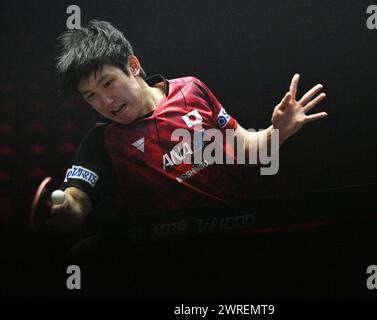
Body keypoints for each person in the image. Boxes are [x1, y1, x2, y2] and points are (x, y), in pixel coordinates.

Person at [49, 20, 327, 234]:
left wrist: (277, 131)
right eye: (91, 96)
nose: (106, 101)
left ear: (133, 66)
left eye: (108, 83)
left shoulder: (191, 90)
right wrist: (65, 208)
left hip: (240, 225)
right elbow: (77, 201)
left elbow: (244, 148)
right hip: (169, 253)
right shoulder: (101, 142)